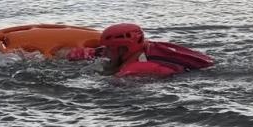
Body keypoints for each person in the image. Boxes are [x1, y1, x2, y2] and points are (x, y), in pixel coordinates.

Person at [66, 23, 215, 78]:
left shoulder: (137, 68)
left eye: (109, 48)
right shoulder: (144, 47)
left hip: (196, 75)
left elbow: (112, 83)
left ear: (122, 49)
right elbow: (94, 53)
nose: (104, 52)